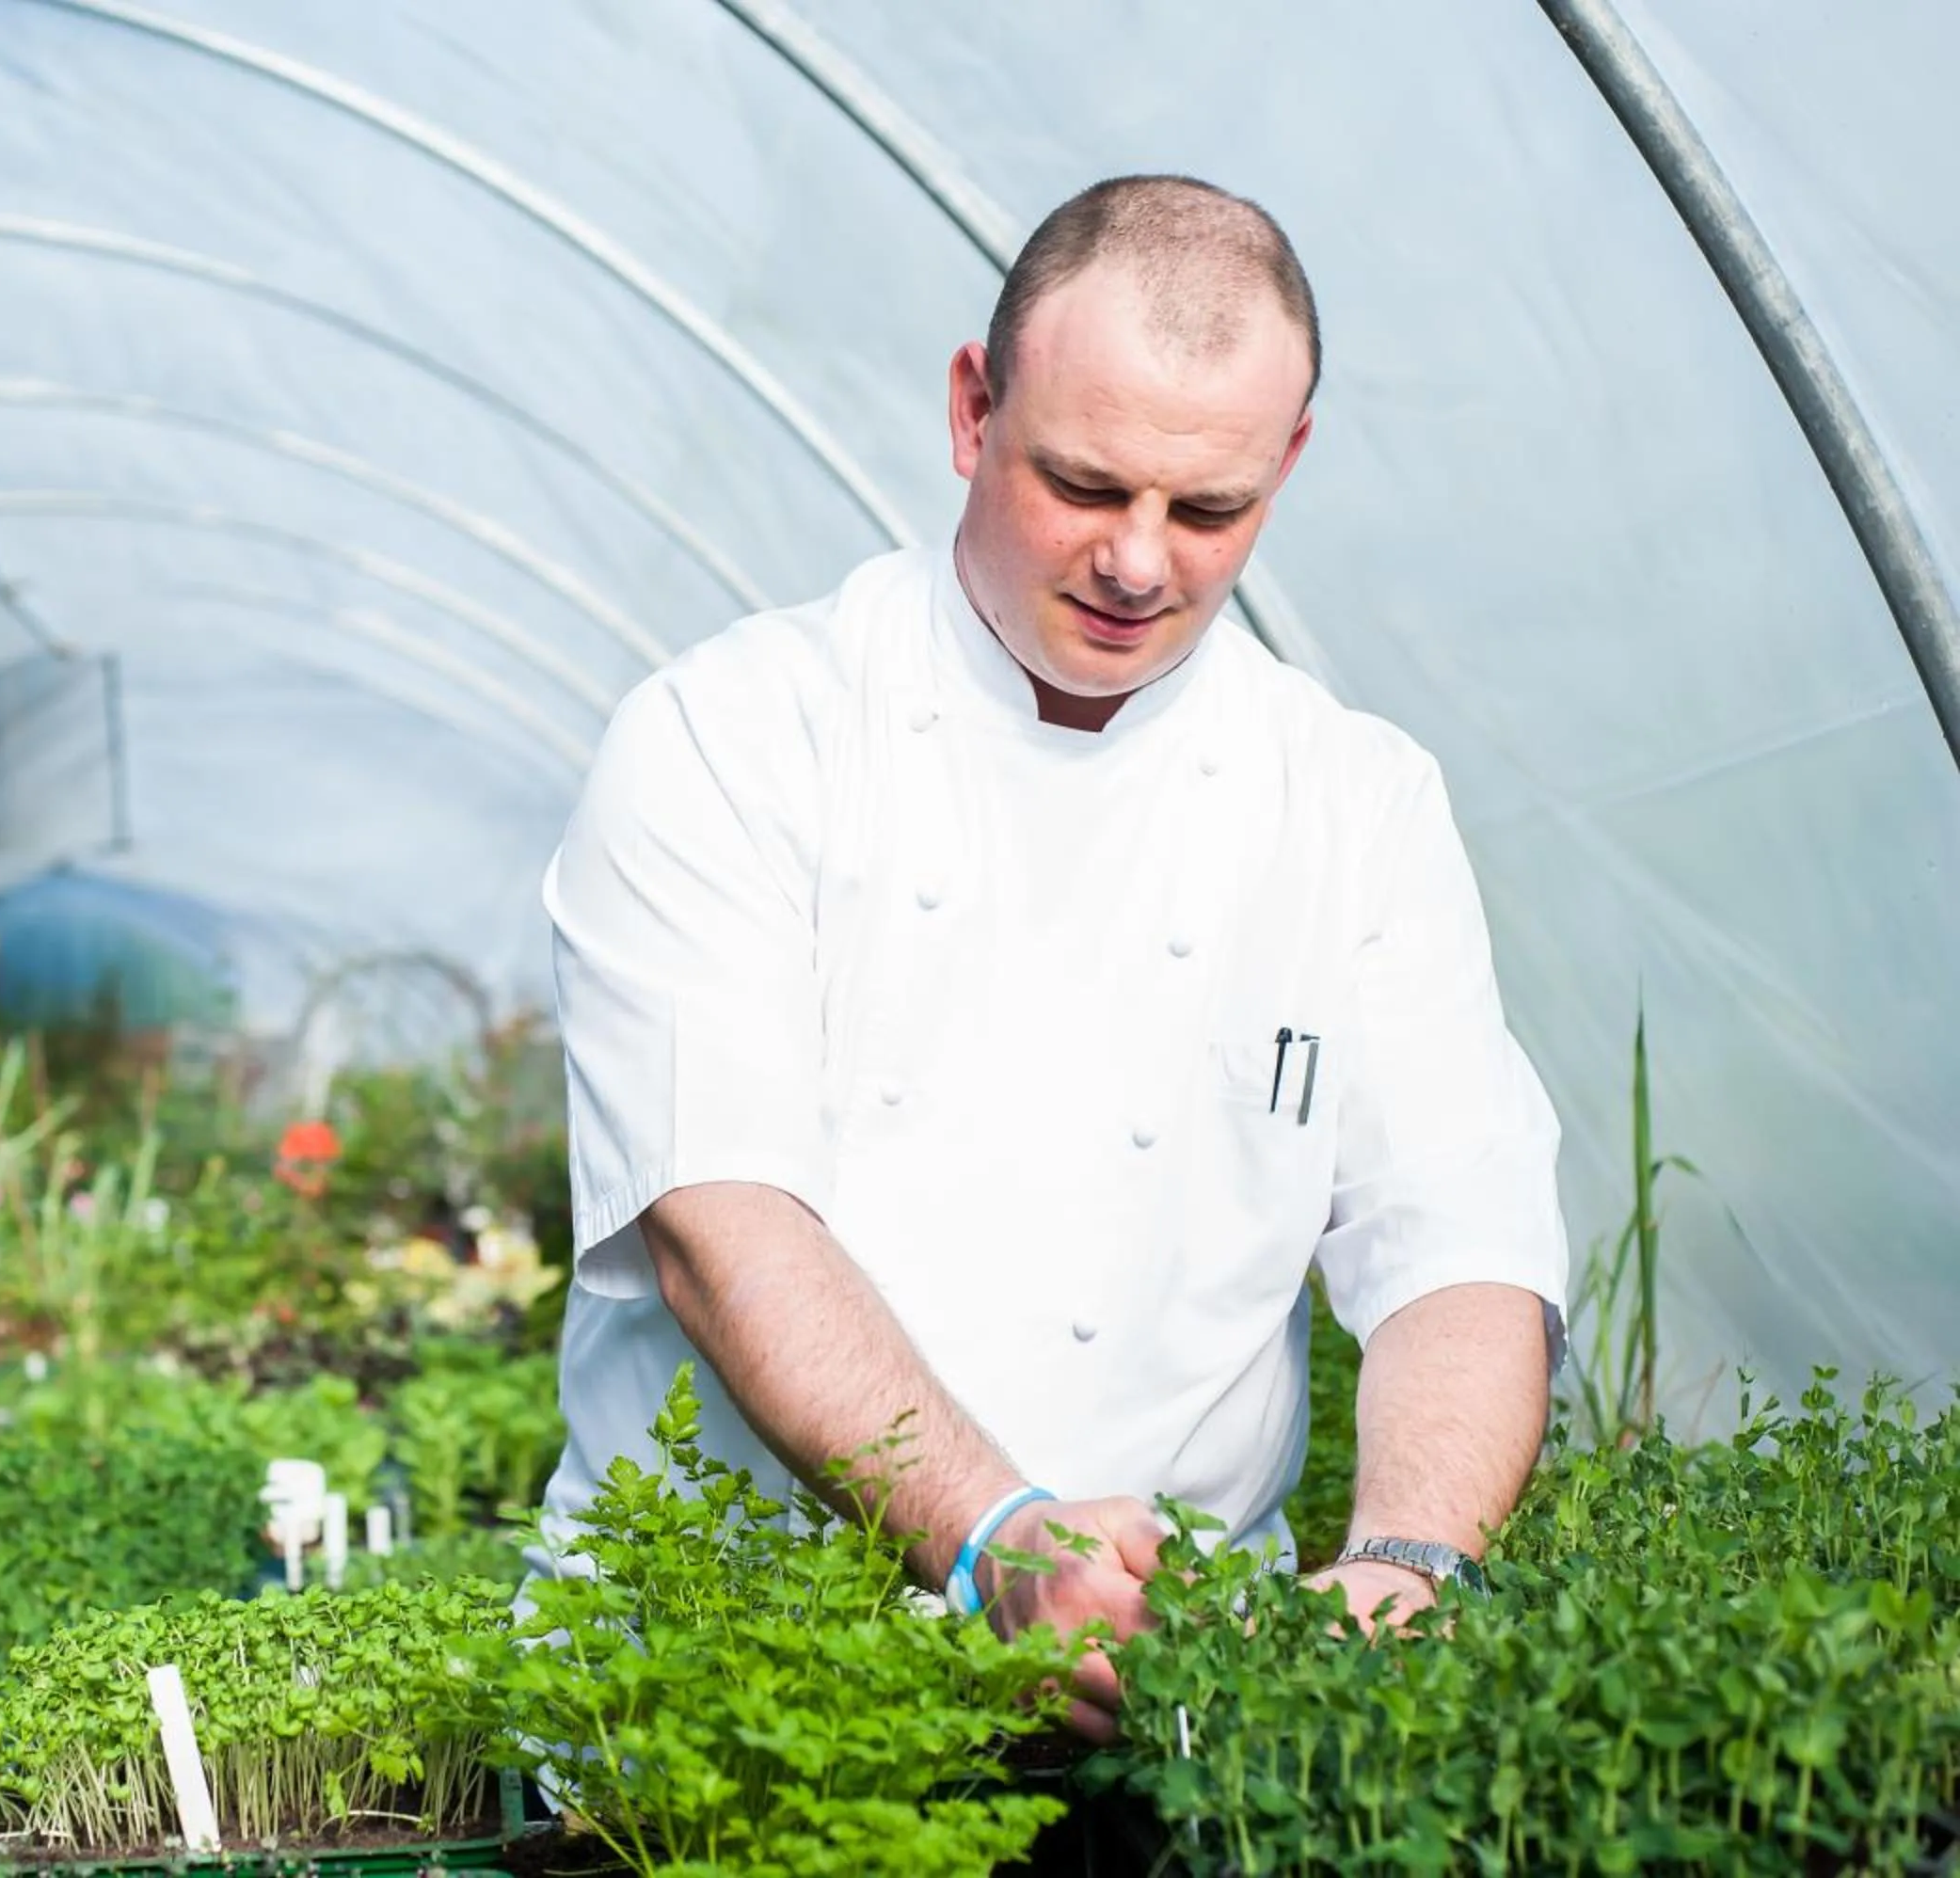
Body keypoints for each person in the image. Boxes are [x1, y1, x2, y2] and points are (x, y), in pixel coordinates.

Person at [531, 174, 1570, 1742]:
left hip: (1172, 1711)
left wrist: (1409, 1559)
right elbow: (723, 1219)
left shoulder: (1352, 800)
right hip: (729, 1708)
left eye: (1209, 509)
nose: (1140, 563)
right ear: (972, 407)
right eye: (1085, 485)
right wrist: (991, 1535)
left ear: (1286, 466)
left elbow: (1460, 1244)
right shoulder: (737, 739)